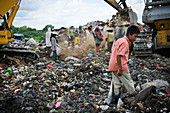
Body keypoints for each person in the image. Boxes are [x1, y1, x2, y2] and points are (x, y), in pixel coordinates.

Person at [107, 25, 140, 105]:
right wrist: (120, 69)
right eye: (135, 36)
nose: (135, 39)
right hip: (120, 66)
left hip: (113, 65)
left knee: (117, 84)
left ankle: (115, 101)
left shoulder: (120, 40)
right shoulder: (125, 43)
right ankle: (136, 99)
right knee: (129, 83)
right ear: (129, 34)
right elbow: (119, 55)